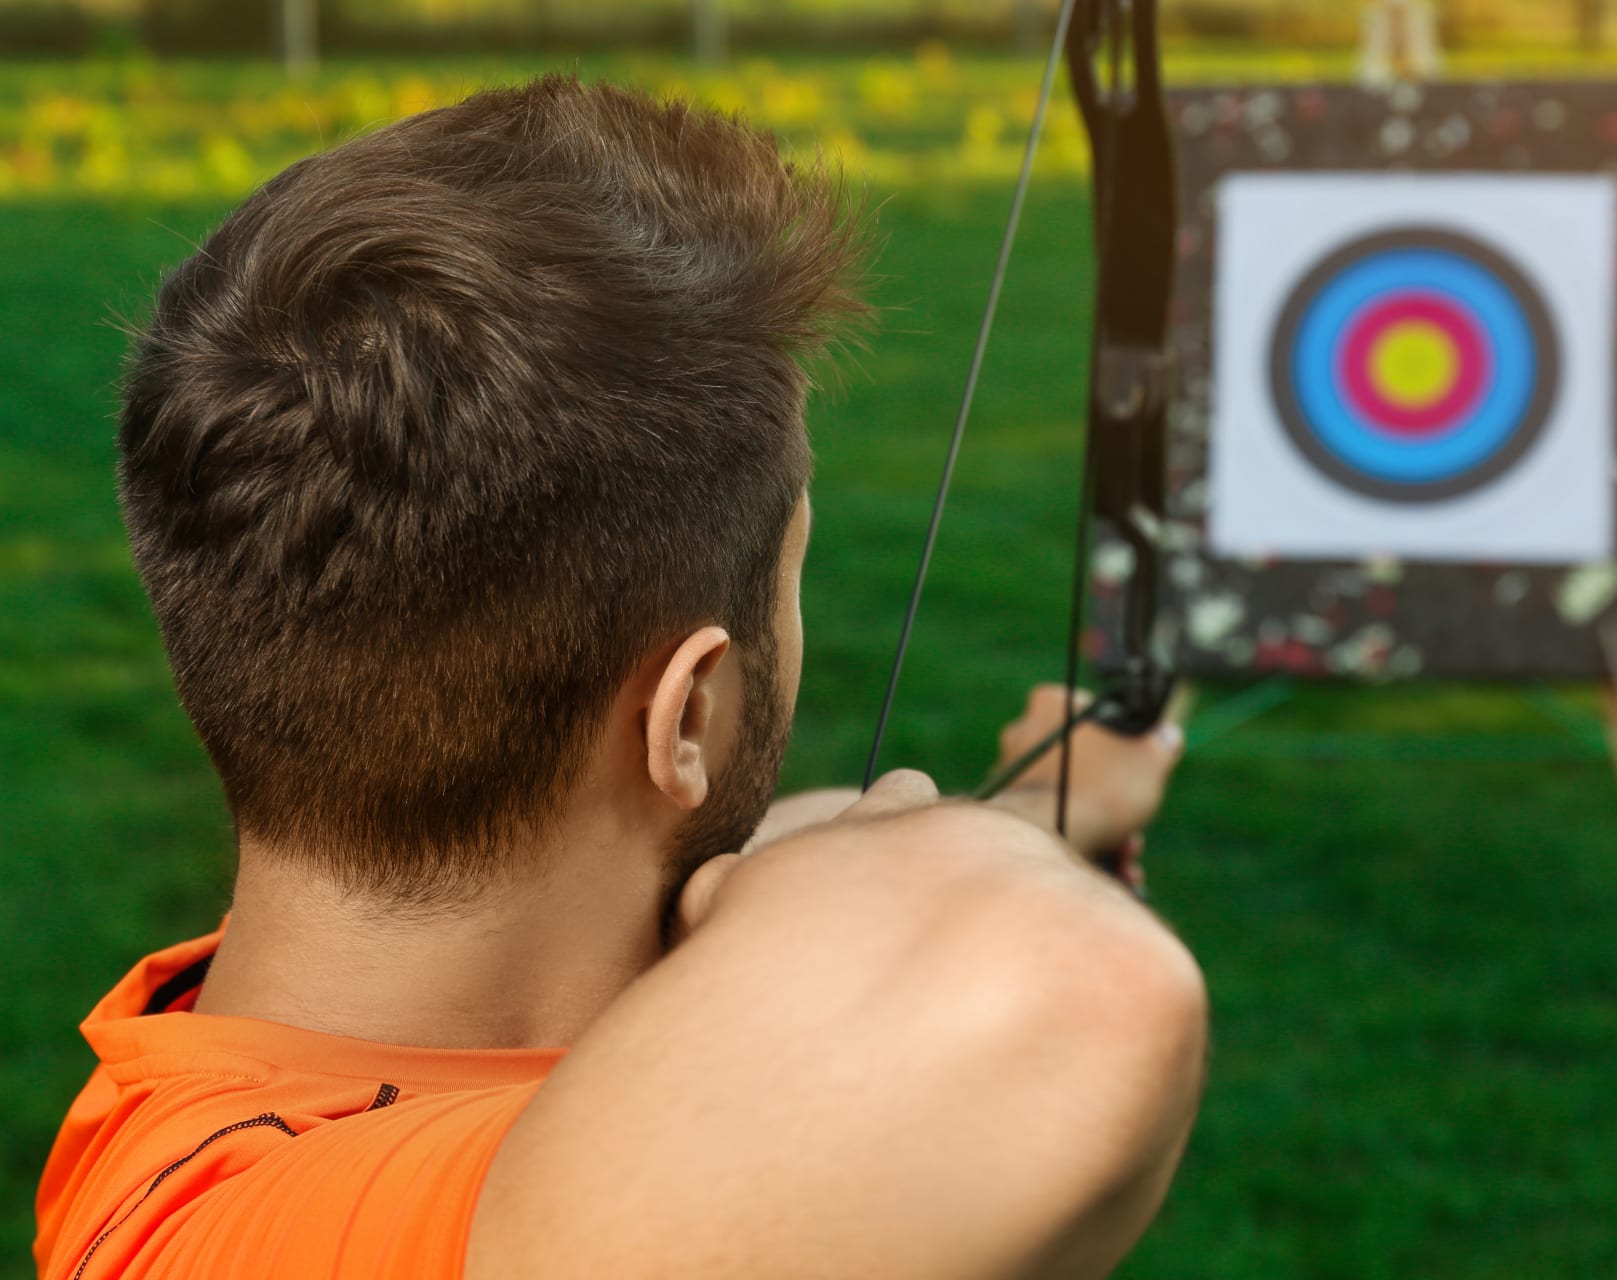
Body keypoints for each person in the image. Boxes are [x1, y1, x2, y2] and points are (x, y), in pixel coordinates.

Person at [32, 75, 1205, 1280]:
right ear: (686, 713)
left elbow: (790, 878)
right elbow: (1087, 984)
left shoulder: (232, 1073)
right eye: (792, 578)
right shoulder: (262, 1238)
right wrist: (895, 871)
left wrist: (1037, 804)